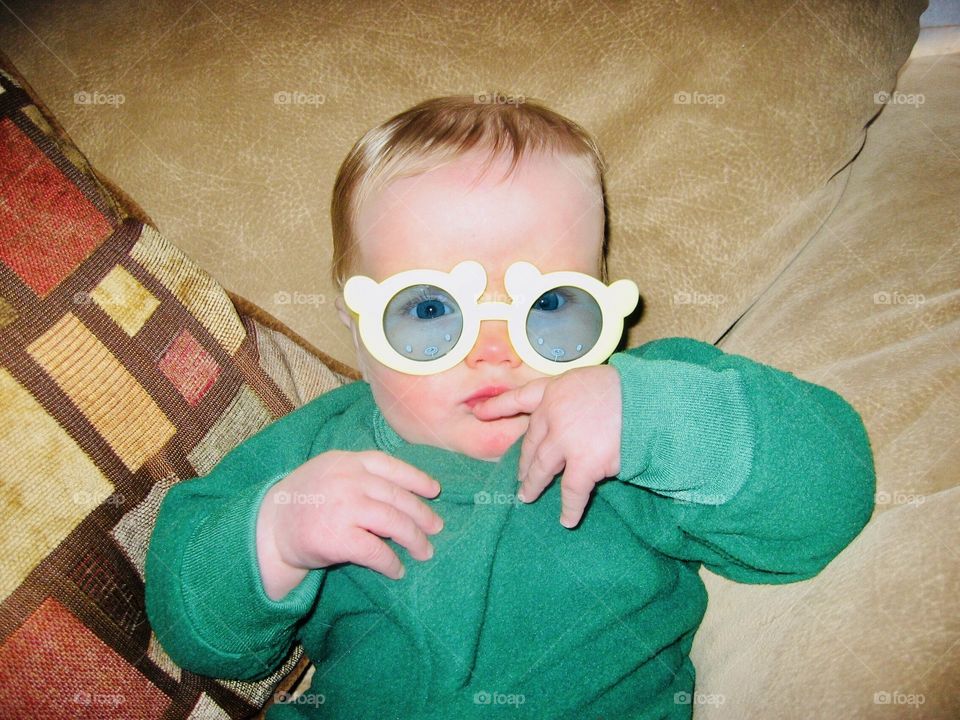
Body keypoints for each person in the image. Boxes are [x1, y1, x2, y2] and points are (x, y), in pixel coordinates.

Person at [146, 94, 876, 719]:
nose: (494, 351)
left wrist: (655, 419)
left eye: (550, 304)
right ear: (356, 322)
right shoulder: (321, 453)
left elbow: (830, 496)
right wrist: (273, 536)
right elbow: (197, 633)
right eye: (431, 310)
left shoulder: (637, 410)